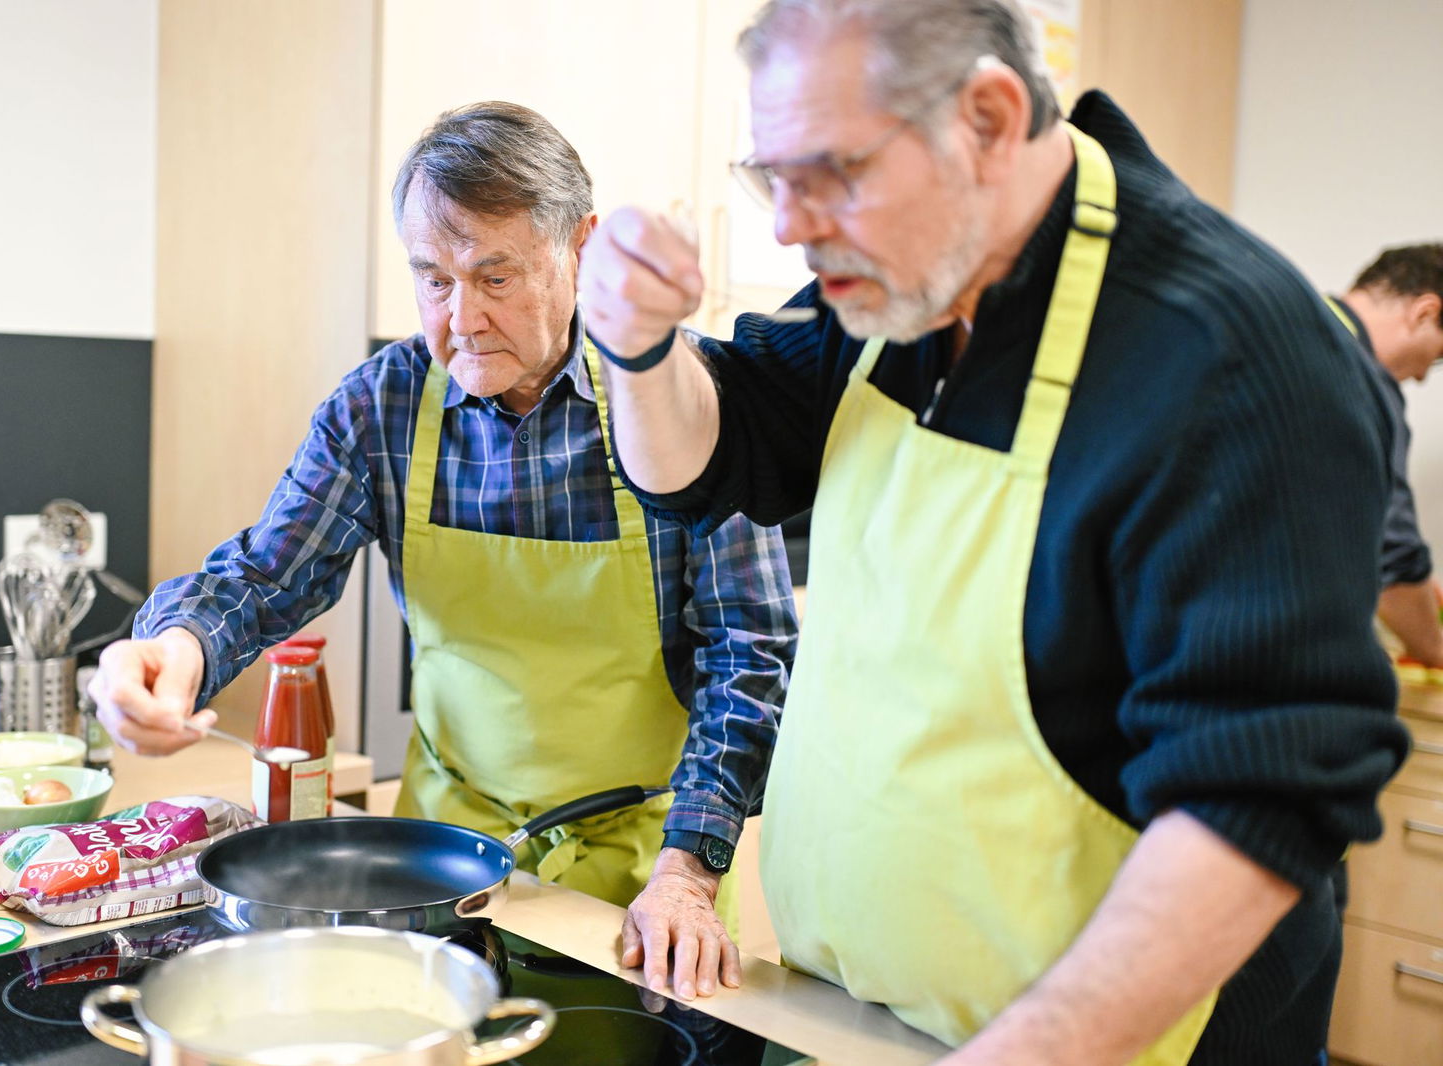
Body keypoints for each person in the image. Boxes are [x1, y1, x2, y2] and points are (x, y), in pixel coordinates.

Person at [575, 1, 1409, 1063]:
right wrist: (637, 349)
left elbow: (1257, 795)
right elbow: (706, 458)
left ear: (987, 116)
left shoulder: (1229, 353)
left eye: (829, 174)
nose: (788, 223)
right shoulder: (888, 292)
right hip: (853, 1012)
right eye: (770, 177)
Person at [90, 101, 797, 1001]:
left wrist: (687, 874)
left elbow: (753, 651)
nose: (459, 317)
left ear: (578, 247)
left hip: (645, 881)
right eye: (432, 279)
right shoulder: (384, 405)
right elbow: (267, 574)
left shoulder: (676, 393)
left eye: (493, 276)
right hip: (440, 866)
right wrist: (174, 648)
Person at [1327, 243, 1443, 668]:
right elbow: (1389, 547)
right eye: (1438, 357)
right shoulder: (1358, 375)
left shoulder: (1292, 324)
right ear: (1425, 312)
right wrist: (1434, 648)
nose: (1421, 375)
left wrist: (1420, 584)